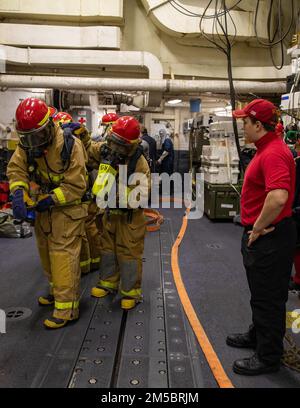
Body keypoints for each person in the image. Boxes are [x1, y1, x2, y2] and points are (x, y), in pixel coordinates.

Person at [226, 99, 297, 375]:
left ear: (258, 125)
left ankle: (268, 356)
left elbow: (278, 197)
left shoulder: (273, 153)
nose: (242, 126)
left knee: (268, 298)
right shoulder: (265, 149)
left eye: (245, 122)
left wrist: (256, 228)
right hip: (267, 236)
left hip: (269, 237)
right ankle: (258, 335)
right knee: (262, 294)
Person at [7, 98, 88, 329]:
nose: (34, 143)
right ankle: (58, 292)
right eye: (28, 138)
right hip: (45, 209)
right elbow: (16, 169)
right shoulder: (28, 143)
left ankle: (67, 309)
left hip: (68, 209)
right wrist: (19, 192)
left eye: (38, 136)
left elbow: (76, 186)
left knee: (62, 255)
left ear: (50, 126)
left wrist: (50, 199)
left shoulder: (71, 145)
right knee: (46, 252)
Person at [85, 116, 150, 310]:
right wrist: (82, 138)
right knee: (107, 248)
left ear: (130, 145)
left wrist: (114, 193)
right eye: (112, 142)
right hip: (110, 214)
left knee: (128, 253)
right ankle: (108, 282)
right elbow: (87, 152)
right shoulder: (106, 148)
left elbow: (141, 194)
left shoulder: (139, 163)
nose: (114, 148)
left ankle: (131, 291)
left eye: (120, 145)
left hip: (130, 218)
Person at [53, 112, 102, 273]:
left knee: (86, 228)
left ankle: (89, 263)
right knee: (84, 230)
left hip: (82, 192)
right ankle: (88, 263)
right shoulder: (65, 142)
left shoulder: (74, 142)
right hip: (78, 192)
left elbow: (88, 161)